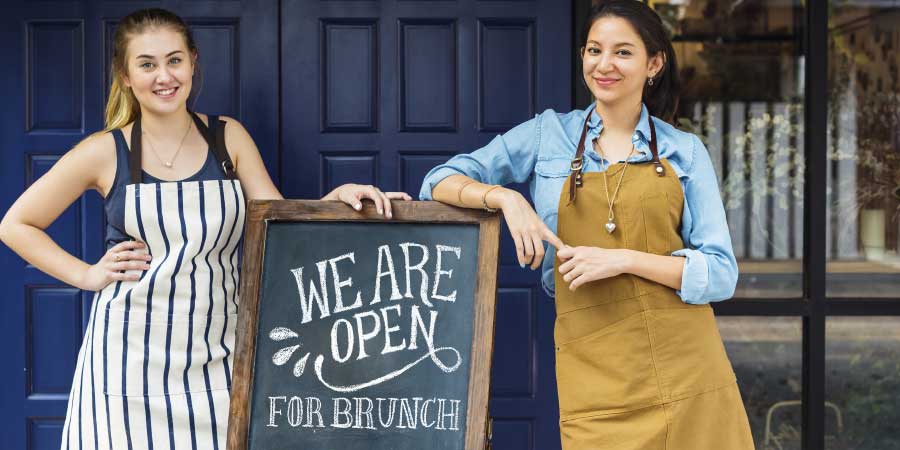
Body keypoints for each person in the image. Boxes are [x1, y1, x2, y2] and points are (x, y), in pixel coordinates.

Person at [0, 8, 410, 450]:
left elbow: (278, 219)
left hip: (218, 354)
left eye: (175, 60)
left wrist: (334, 201)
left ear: (193, 62)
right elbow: (16, 224)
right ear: (124, 75)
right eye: (147, 64)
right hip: (126, 358)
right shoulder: (106, 151)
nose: (164, 76)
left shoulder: (227, 138)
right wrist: (87, 275)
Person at [418, 1, 754, 448]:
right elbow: (437, 181)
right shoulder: (547, 135)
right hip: (594, 376)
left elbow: (720, 274)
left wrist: (622, 260)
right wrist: (504, 199)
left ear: (654, 63)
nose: (604, 64)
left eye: (622, 52)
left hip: (684, 371)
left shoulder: (684, 152)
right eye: (594, 50)